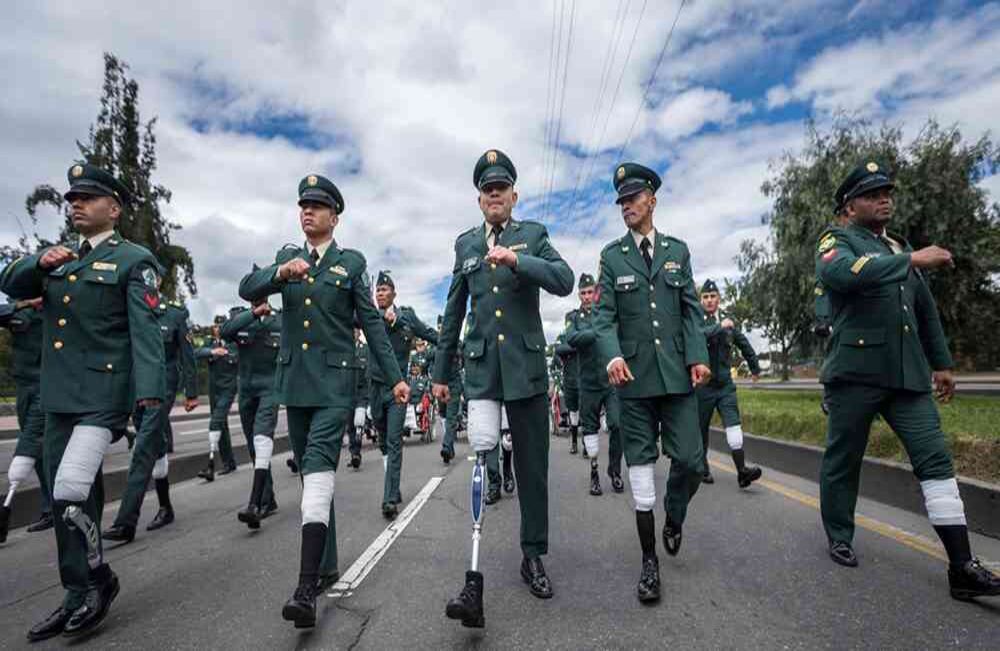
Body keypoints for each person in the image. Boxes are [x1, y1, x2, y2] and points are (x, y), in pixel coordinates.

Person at [816, 160, 1000, 600]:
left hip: (907, 376)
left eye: (887, 193)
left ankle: (962, 566)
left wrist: (942, 363)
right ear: (849, 207)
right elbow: (839, 273)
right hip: (856, 373)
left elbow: (924, 310)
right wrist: (911, 259)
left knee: (935, 459)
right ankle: (839, 534)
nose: (884, 200)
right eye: (872, 194)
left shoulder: (898, 245)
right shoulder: (837, 240)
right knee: (844, 459)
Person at [1, 162, 165, 640]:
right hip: (58, 397)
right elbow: (10, 283)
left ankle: (98, 577)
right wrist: (39, 262)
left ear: (113, 209)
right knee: (65, 500)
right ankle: (77, 591)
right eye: (72, 198)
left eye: (87, 198)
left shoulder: (134, 260)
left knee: (71, 487)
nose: (75, 204)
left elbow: (145, 332)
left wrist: (150, 393)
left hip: (102, 396)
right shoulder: (60, 259)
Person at [239, 173, 408, 628]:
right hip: (295, 385)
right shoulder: (286, 259)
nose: (307, 212)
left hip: (335, 386)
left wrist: (396, 378)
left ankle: (305, 587)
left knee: (316, 471)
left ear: (335, 217)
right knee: (314, 478)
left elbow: (372, 324)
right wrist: (279, 274)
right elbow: (247, 288)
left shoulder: (350, 264)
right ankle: (327, 564)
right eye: (303, 206)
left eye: (316, 206)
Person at [433, 148, 573, 628]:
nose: (494, 195)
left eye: (502, 188)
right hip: (482, 371)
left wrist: (518, 260)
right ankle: (473, 577)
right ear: (479, 199)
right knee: (481, 457)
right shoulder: (465, 245)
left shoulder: (532, 235)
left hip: (526, 369)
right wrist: (439, 373)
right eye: (487, 190)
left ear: (514, 195)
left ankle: (532, 555)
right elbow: (454, 310)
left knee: (532, 469)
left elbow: (563, 279)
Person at [591, 162, 711, 603]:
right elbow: (604, 317)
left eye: (633, 198)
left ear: (652, 201)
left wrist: (698, 356)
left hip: (677, 377)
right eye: (621, 201)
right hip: (634, 382)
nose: (626, 206)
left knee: (692, 462)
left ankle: (674, 514)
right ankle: (649, 563)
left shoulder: (678, 251)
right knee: (641, 477)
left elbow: (691, 310)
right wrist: (613, 355)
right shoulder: (612, 257)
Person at [103, 288, 199, 542]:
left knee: (144, 446)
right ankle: (166, 507)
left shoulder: (175, 315)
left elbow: (187, 354)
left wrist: (191, 392)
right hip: (136, 385)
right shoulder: (130, 311)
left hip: (163, 385)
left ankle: (126, 521)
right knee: (156, 444)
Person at [371, 270, 438, 519]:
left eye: (384, 290)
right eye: (377, 290)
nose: (380, 294)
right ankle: (393, 487)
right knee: (382, 440)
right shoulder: (370, 315)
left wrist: (454, 343)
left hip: (398, 390)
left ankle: (389, 498)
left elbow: (430, 334)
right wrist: (382, 316)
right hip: (375, 387)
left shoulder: (407, 317)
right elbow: (350, 317)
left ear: (394, 293)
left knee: (393, 441)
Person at [696, 279, 762, 488]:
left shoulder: (728, 322)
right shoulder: (696, 319)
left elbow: (743, 343)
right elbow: (698, 336)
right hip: (703, 387)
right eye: (705, 297)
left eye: (712, 296)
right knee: (701, 429)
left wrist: (755, 367)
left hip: (725, 386)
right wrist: (719, 327)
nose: (709, 300)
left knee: (733, 425)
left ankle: (742, 472)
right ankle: (702, 467)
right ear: (701, 300)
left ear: (719, 298)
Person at [221, 300, 282, 528]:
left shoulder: (280, 320)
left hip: (270, 388)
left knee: (261, 438)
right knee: (253, 446)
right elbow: (225, 332)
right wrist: (253, 314)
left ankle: (254, 504)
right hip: (246, 391)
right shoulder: (242, 318)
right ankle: (268, 499)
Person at [565, 272, 625, 495]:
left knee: (617, 424)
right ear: (579, 295)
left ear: (596, 292)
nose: (587, 296)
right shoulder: (573, 317)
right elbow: (572, 338)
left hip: (610, 382)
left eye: (590, 292)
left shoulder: (607, 313)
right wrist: (598, 332)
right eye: (583, 293)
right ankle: (594, 473)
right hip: (588, 383)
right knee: (590, 431)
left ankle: (615, 470)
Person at [0, 298, 53, 542]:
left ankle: (12, 509)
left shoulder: (59, 307)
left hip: (47, 386)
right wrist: (24, 304)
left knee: (30, 442)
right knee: (38, 451)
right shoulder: (20, 309)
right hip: (24, 388)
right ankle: (50, 507)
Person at [195, 316, 239, 481]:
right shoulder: (210, 343)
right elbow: (196, 352)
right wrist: (213, 352)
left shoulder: (234, 343)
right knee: (221, 425)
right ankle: (229, 462)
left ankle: (210, 464)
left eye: (221, 325)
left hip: (228, 387)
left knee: (216, 422)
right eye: (216, 325)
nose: (218, 328)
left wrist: (225, 351)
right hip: (214, 390)